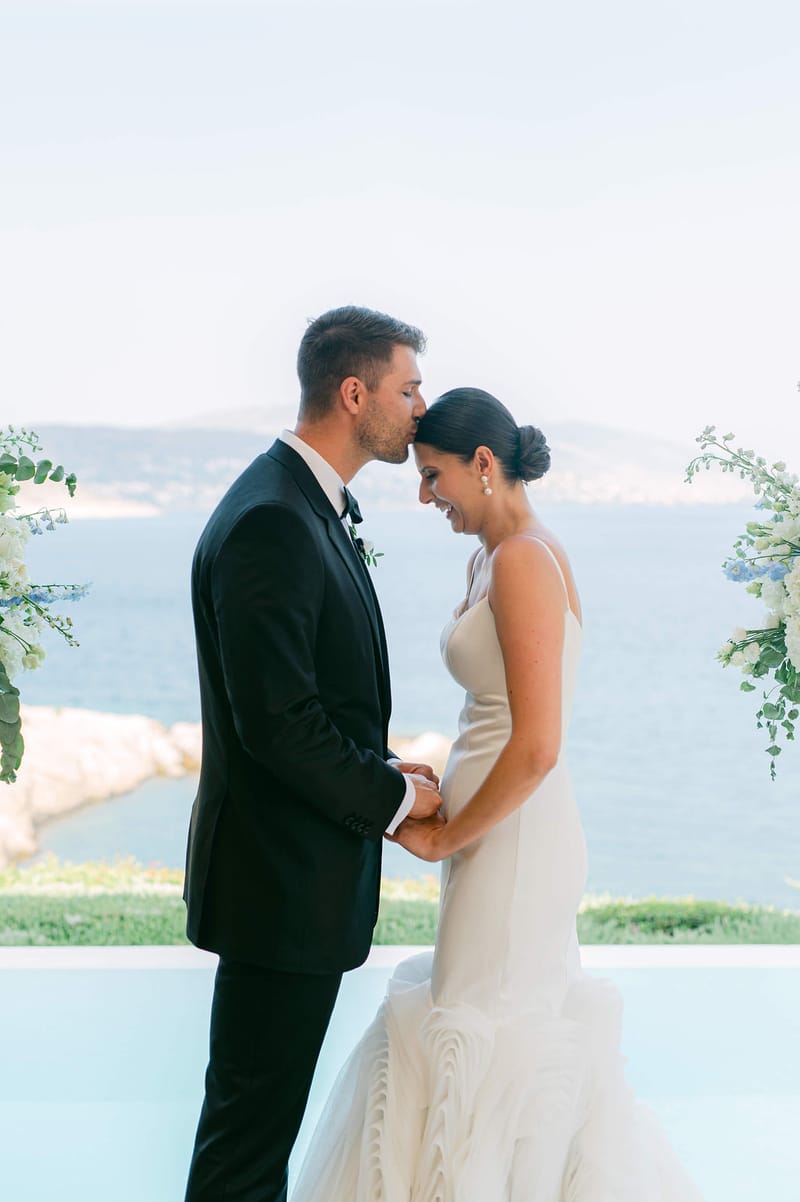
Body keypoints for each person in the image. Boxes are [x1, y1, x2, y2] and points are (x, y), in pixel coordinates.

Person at [292, 387, 703, 1200]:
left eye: (433, 475)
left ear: (483, 463)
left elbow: (538, 744)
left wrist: (448, 835)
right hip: (491, 834)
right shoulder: (489, 556)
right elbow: (493, 715)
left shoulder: (523, 560)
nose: (425, 496)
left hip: (514, 841)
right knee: (476, 1023)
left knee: (491, 1030)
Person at [183, 305, 444, 1202]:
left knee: (254, 1132)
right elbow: (278, 723)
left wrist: (382, 766)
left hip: (289, 883)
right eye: (409, 388)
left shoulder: (302, 505)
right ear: (354, 393)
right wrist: (393, 802)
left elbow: (308, 698)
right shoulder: (272, 520)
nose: (421, 407)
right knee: (246, 1146)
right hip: (277, 887)